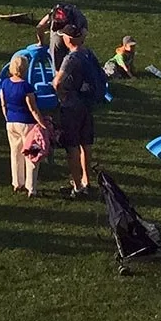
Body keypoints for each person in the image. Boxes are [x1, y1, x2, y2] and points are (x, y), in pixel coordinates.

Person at [52, 26, 102, 199]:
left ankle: (77, 186)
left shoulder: (71, 58)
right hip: (87, 104)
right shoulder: (88, 53)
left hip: (71, 106)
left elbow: (58, 82)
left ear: (68, 40)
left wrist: (59, 95)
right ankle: (88, 182)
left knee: (72, 146)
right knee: (86, 144)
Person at [0, 51, 46, 197]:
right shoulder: (26, 87)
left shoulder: (5, 83)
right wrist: (42, 123)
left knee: (15, 152)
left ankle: (16, 182)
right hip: (27, 124)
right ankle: (31, 188)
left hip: (11, 122)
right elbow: (32, 108)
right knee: (31, 155)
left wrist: (7, 117)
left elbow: (3, 103)